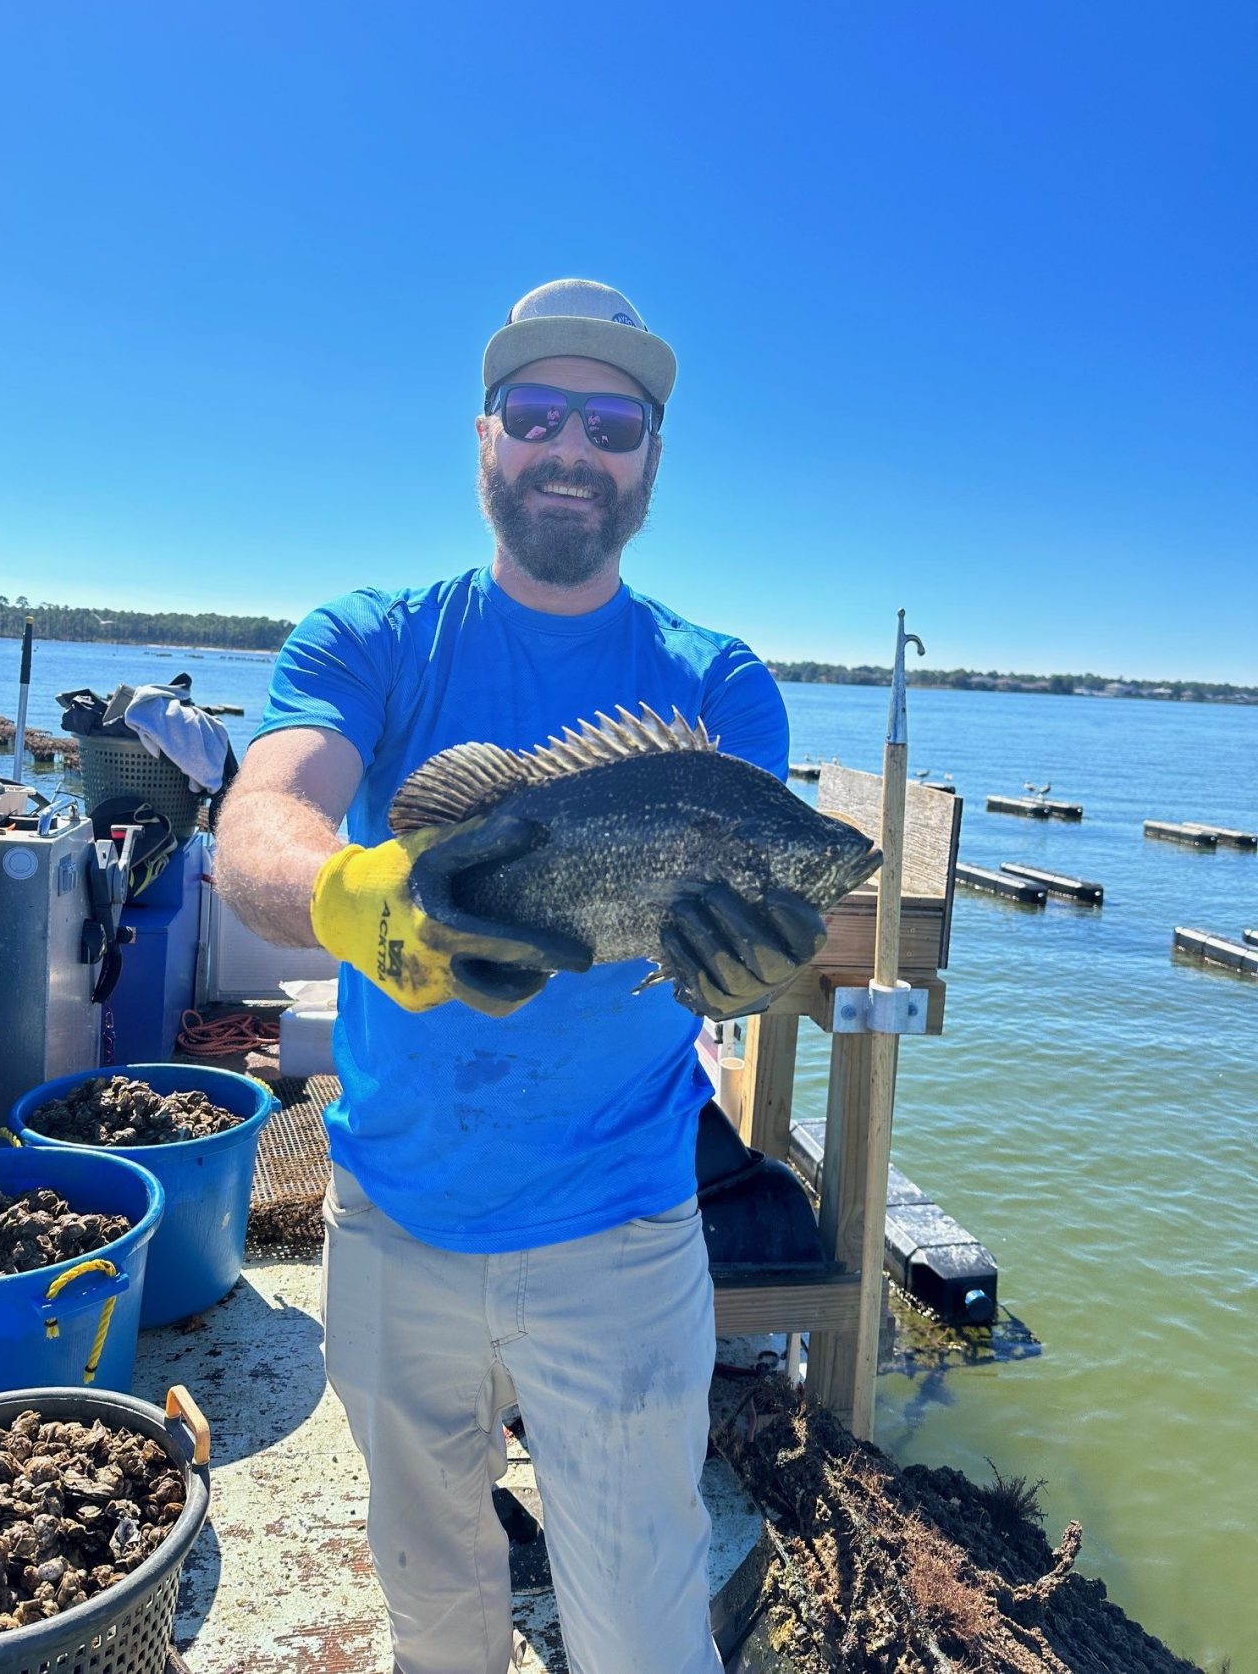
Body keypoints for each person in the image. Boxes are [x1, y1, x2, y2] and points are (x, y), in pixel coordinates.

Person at [215, 279, 826, 1674]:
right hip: (391, 1216)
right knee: (434, 1611)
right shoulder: (374, 636)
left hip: (621, 1229)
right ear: (483, 439)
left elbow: (736, 919)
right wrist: (365, 900)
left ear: (652, 462)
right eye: (537, 414)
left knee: (646, 1623)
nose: (573, 449)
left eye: (613, 424)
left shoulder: (719, 683)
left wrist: (755, 977)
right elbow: (257, 827)